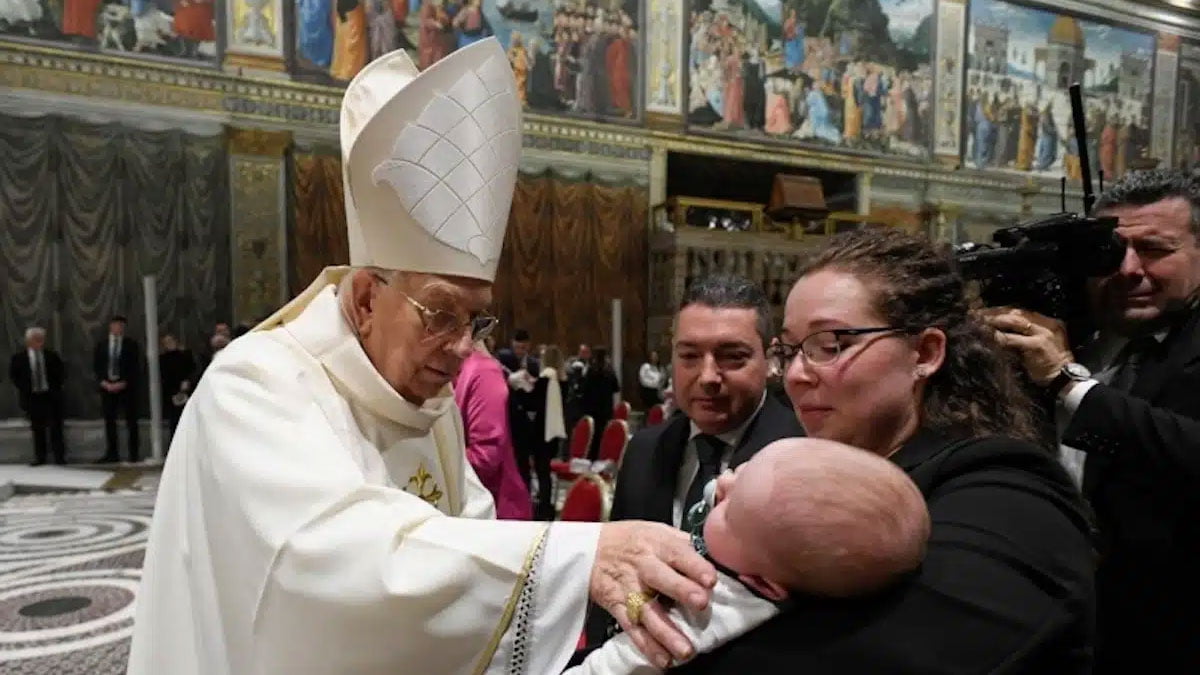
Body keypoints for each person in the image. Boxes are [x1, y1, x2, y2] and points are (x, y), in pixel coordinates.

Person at [129, 39, 715, 675]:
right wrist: (578, 554)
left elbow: (473, 536)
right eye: (441, 315)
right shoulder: (254, 386)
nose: (464, 348)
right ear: (364, 299)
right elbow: (327, 566)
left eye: (477, 319)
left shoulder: (428, 404)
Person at [676, 229, 1096, 673]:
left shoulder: (1010, 493)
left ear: (926, 352)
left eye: (831, 345)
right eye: (791, 350)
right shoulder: (802, 474)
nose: (796, 374)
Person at [983, 169, 1200, 672]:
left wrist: (1069, 385)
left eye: (1154, 249)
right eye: (1108, 253)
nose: (1127, 269)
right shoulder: (1070, 334)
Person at [569, 438, 931, 675]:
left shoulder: (717, 609)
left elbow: (617, 664)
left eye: (728, 510)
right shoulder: (754, 549)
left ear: (762, 584)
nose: (724, 483)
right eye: (744, 469)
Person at [582, 274, 805, 648]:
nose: (707, 377)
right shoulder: (645, 449)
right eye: (689, 356)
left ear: (771, 359)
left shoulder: (803, 455)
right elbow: (618, 577)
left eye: (733, 356)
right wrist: (631, 626)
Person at [453, 341, 532, 520]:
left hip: (493, 514)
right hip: (461, 509)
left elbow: (485, 458)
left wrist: (431, 457)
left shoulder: (482, 372)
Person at [8, 327, 67, 465]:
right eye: (36, 340)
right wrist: (26, 388)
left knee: (56, 428)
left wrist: (56, 389)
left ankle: (59, 457)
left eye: (41, 340)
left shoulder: (51, 356)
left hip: (50, 396)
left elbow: (61, 374)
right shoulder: (19, 358)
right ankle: (40, 457)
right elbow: (14, 376)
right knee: (37, 428)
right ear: (28, 341)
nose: (39, 343)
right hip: (32, 397)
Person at [92, 314, 140, 463]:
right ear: (111, 327)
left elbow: (136, 366)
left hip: (126, 387)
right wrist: (104, 382)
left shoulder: (131, 345)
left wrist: (124, 382)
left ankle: (133, 454)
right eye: (116, 325)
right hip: (107, 386)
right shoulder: (102, 345)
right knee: (109, 421)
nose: (118, 328)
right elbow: (97, 366)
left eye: (121, 326)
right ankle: (112, 453)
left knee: (131, 420)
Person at [497, 328, 541, 488]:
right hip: (508, 413)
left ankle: (526, 493)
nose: (520, 351)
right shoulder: (503, 359)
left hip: (527, 418)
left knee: (524, 460)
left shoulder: (534, 364)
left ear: (528, 346)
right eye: (517, 348)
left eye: (523, 348)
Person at [532, 344, 568, 520]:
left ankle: (544, 505)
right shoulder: (563, 380)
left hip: (541, 431)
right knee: (545, 470)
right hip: (553, 432)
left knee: (542, 471)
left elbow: (536, 404)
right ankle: (546, 503)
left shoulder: (545, 378)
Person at [581, 346, 620, 459]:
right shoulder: (609, 371)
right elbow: (616, 388)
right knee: (604, 435)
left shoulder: (591, 370)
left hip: (592, 408)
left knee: (592, 436)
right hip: (606, 408)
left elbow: (585, 389)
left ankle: (591, 458)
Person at [158, 333, 195, 436]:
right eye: (166, 342)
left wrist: (188, 382)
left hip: (186, 391)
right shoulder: (162, 359)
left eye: (171, 341)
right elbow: (163, 377)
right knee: (174, 422)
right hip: (171, 393)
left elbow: (192, 371)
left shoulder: (185, 355)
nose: (169, 344)